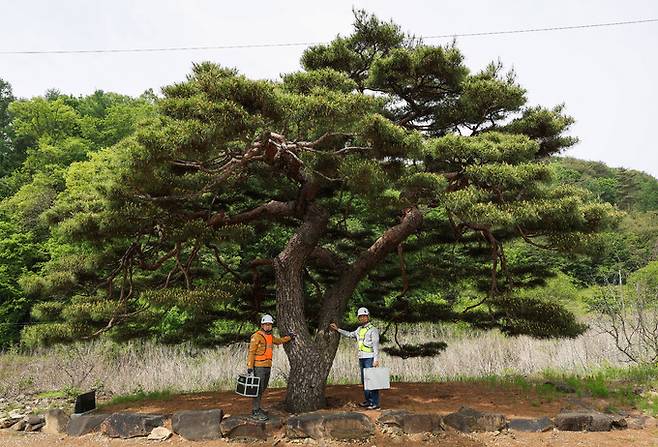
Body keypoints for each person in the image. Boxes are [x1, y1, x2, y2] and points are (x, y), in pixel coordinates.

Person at [329, 307, 381, 410]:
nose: (362, 318)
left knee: (372, 381)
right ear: (358, 318)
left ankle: (375, 403)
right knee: (365, 381)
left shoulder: (373, 330)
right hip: (361, 358)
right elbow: (349, 334)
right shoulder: (359, 330)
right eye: (360, 316)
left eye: (364, 316)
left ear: (368, 317)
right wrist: (337, 329)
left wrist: (376, 359)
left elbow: (375, 345)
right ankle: (368, 401)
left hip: (370, 358)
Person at [247, 314, 293, 421]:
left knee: (263, 387)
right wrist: (250, 366)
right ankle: (255, 411)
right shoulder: (256, 336)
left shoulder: (270, 337)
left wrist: (289, 337)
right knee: (258, 389)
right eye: (265, 324)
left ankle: (257, 408)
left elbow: (278, 341)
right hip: (259, 366)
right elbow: (251, 352)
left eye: (269, 325)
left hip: (267, 366)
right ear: (262, 325)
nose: (268, 326)